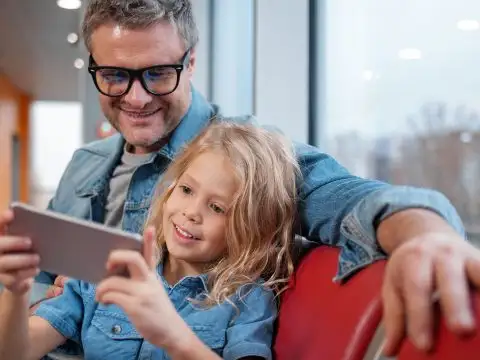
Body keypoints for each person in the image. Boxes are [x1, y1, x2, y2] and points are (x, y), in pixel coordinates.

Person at [0, 0, 479, 357]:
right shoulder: (85, 163)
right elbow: (42, 297)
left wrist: (426, 233)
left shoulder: (248, 159)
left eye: (158, 73)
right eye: (115, 76)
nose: (137, 97)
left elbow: (353, 199)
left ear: (190, 62)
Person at [0, 121, 299, 359]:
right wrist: (15, 290)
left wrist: (171, 334)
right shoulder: (109, 265)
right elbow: (16, 352)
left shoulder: (248, 300)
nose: (191, 212)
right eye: (186, 190)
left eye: (217, 207)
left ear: (249, 227)